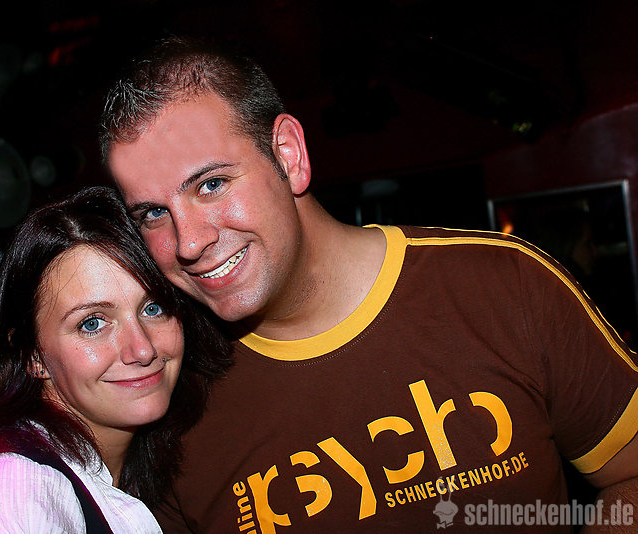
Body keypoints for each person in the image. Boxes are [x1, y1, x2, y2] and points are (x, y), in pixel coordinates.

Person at [99, 37, 638, 532]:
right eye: (152, 214)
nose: (188, 242)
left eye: (212, 184)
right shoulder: (165, 400)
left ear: (288, 155)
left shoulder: (503, 285)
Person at [0, 186, 232, 533]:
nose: (143, 349)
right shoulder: (18, 489)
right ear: (32, 355)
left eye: (153, 308)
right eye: (92, 323)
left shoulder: (150, 472)